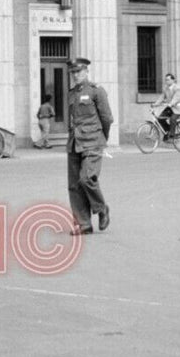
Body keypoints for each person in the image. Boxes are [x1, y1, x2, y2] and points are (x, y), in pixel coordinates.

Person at [65, 57, 113, 235]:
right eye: (73, 73)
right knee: (74, 185)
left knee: (86, 178)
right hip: (74, 142)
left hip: (92, 141)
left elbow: (107, 118)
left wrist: (102, 138)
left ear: (86, 71)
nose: (75, 75)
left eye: (78, 72)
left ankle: (102, 208)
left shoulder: (96, 91)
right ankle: (83, 223)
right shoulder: (71, 93)